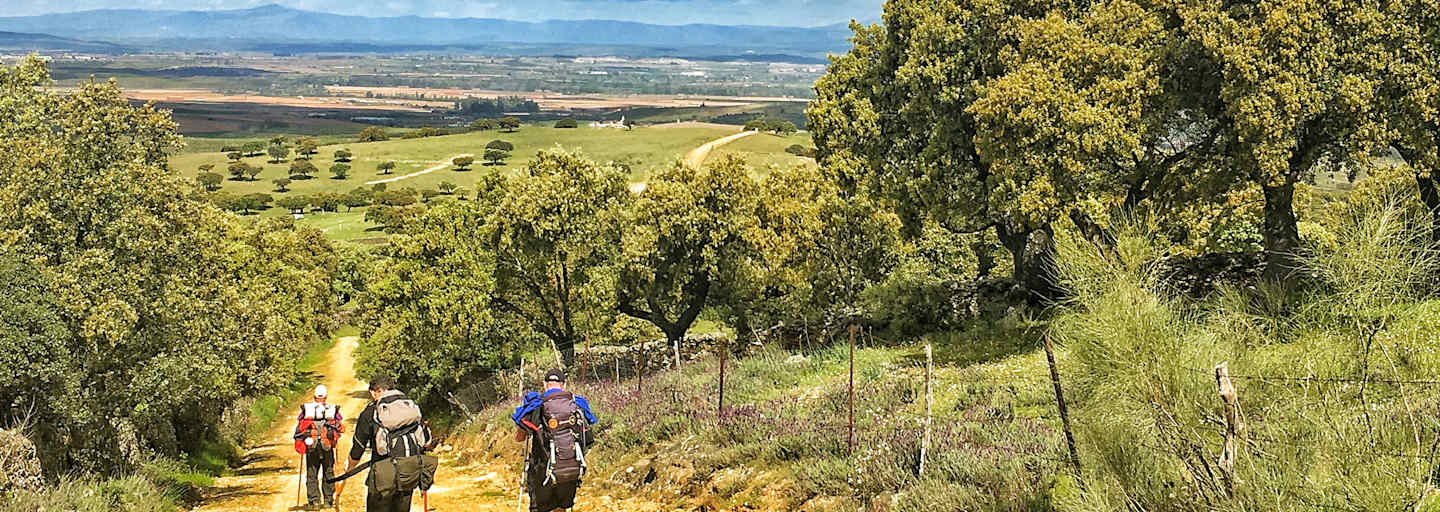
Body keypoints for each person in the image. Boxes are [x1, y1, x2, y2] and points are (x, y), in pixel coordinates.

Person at [335, 374, 434, 512]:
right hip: (409, 471)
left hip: (383, 474)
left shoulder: (371, 411)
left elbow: (358, 448)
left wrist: (349, 468)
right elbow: (426, 441)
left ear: (372, 392)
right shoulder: (408, 406)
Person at [512, 369, 599, 512]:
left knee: (541, 508)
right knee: (562, 506)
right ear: (563, 384)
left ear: (545, 384)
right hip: (570, 469)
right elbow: (588, 439)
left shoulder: (536, 405)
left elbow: (519, 438)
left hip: (542, 471)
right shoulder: (577, 404)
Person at [294, 384, 343, 509]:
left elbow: (299, 426)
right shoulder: (332, 410)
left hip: (312, 447)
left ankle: (314, 501)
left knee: (312, 473)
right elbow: (340, 426)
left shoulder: (306, 410)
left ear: (314, 396)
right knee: (329, 472)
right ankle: (328, 501)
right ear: (326, 396)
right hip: (327, 446)